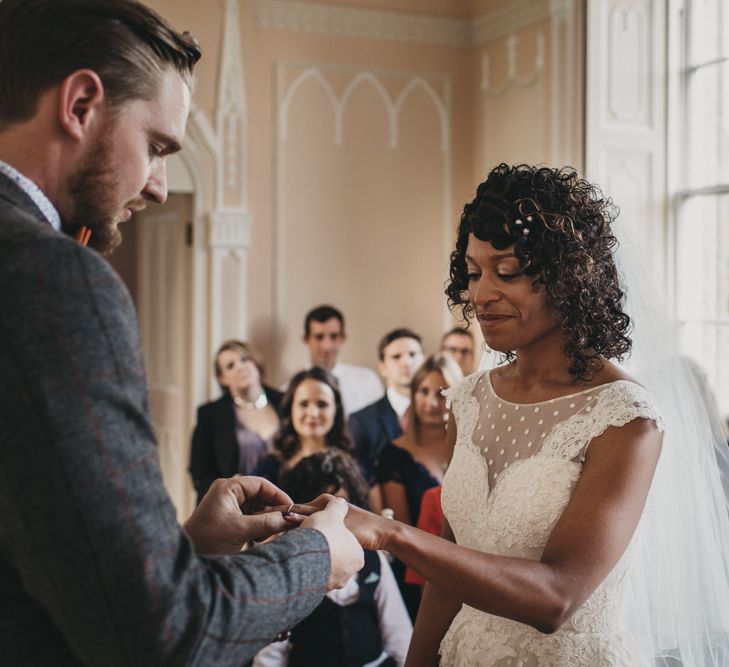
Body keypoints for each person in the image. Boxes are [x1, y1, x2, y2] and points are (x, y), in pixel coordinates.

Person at [0, 1, 363, 664]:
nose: (161, 187)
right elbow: (160, 632)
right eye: (157, 146)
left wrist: (179, 547)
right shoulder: (54, 279)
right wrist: (316, 555)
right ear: (80, 103)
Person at [294, 163, 698, 665]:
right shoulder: (469, 401)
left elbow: (557, 597)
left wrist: (392, 533)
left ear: (568, 277)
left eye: (506, 272)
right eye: (472, 272)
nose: (481, 296)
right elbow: (449, 572)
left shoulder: (625, 418)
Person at [253, 450, 412, 667]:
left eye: (341, 508)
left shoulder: (374, 560)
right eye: (321, 511)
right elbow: (269, 656)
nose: (333, 520)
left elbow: (399, 637)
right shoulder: (288, 567)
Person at [374, 353, 460, 620]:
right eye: (423, 391)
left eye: (442, 392)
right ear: (413, 395)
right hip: (417, 569)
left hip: (471, 562)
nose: (432, 402)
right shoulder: (395, 454)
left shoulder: (471, 447)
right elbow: (403, 529)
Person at [189, 340, 283, 504]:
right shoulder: (211, 414)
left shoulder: (286, 401)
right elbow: (200, 472)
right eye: (231, 365)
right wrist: (231, 492)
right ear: (223, 378)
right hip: (237, 506)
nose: (241, 367)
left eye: (245, 359)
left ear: (256, 362)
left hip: (286, 500)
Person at [349, 328, 424, 492]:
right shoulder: (360, 421)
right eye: (396, 357)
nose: (406, 362)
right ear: (382, 368)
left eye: (412, 354)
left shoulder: (442, 414)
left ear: (424, 360)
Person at [254, 367, 353, 486]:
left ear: (336, 410)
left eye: (322, 404)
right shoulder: (270, 469)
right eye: (304, 404)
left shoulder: (356, 463)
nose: (313, 413)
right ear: (291, 408)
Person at [301, 304, 383, 416]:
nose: (327, 346)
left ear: (343, 337)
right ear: (306, 339)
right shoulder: (289, 389)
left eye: (333, 336)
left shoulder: (367, 381)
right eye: (319, 337)